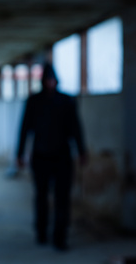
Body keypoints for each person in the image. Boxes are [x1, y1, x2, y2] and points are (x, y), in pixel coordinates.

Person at [16, 62, 87, 251]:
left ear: (56, 80)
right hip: (40, 156)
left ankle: (60, 237)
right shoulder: (34, 101)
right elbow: (24, 129)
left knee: (62, 198)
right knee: (41, 196)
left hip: (62, 157)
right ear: (42, 81)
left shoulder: (67, 101)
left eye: (52, 79)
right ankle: (41, 232)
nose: (50, 83)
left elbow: (76, 128)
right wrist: (20, 154)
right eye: (47, 79)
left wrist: (82, 152)